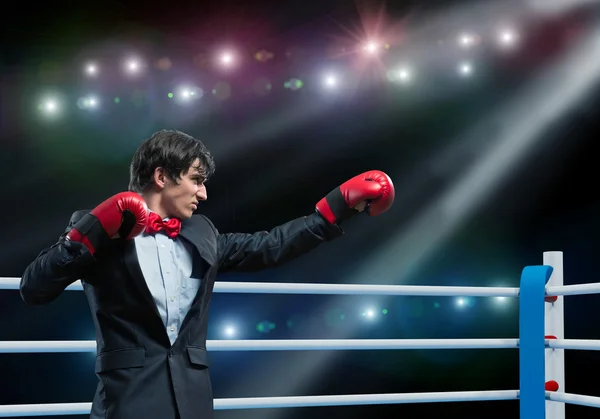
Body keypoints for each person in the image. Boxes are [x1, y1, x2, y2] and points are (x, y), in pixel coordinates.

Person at [20, 129, 395, 419]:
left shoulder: (202, 233)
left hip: (194, 398)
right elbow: (33, 289)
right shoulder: (101, 229)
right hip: (127, 402)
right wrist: (85, 234)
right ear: (162, 176)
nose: (203, 193)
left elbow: (267, 246)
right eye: (196, 180)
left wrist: (332, 213)